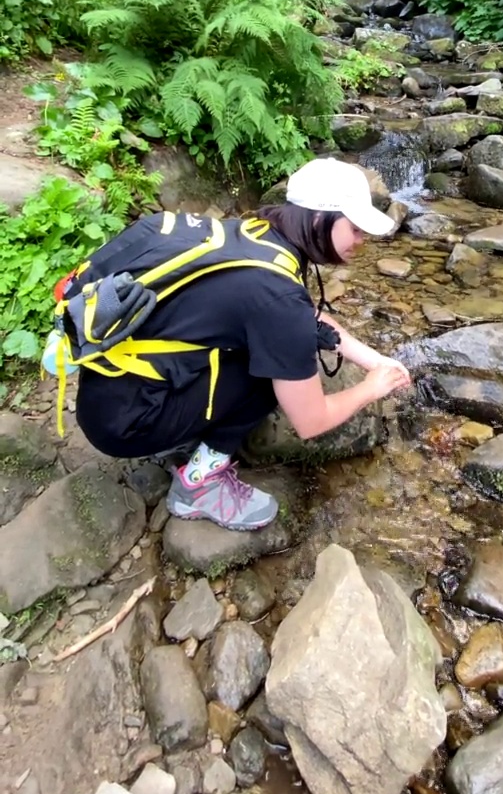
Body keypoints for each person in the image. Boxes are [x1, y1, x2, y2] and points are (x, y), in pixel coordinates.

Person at [72, 158, 412, 530]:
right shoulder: (277, 297)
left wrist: (372, 358)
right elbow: (312, 421)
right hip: (127, 425)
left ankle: (183, 426)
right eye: (356, 228)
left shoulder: (255, 233)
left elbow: (299, 316)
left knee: (276, 349)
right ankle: (197, 486)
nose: (362, 241)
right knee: (270, 376)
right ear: (318, 219)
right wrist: (371, 388)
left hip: (109, 387)